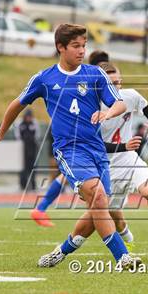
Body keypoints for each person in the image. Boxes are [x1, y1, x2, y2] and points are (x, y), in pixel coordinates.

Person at [0, 23, 141, 269]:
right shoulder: (44, 79)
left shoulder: (95, 74)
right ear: (60, 47)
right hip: (69, 150)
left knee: (99, 208)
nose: (81, 51)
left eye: (84, 46)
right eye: (76, 46)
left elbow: (119, 103)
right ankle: (123, 257)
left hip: (97, 151)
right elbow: (17, 103)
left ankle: (60, 252)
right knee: (98, 196)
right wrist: (1, 132)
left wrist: (107, 114)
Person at [36, 62, 148, 268]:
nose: (118, 87)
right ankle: (61, 252)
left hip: (128, 159)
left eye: (119, 82)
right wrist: (124, 145)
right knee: (96, 218)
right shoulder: (89, 108)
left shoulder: (128, 96)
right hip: (102, 164)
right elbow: (94, 145)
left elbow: (143, 105)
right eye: (112, 83)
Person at [30, 49, 111, 226]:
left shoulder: (95, 78)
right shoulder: (90, 79)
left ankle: (42, 208)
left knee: (67, 178)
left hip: (82, 138)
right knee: (102, 203)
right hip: (76, 138)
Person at [14, 109, 40, 191]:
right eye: (27, 117)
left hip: (32, 148)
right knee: (22, 167)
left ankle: (33, 185)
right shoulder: (20, 123)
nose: (29, 118)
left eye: (30, 117)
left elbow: (37, 135)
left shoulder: (34, 123)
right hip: (23, 148)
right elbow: (17, 135)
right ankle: (23, 185)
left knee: (32, 167)